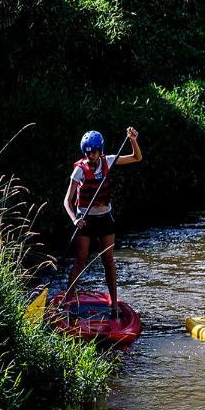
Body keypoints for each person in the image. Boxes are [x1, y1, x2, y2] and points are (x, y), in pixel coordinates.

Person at [63, 127, 142, 318]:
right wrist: (75, 219)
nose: (90, 155)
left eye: (93, 151)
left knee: (108, 261)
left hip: (105, 218)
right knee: (80, 260)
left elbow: (136, 157)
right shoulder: (79, 171)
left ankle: (114, 306)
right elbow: (67, 200)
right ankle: (66, 304)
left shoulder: (108, 160)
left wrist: (132, 140)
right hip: (85, 220)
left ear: (100, 150)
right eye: (87, 152)